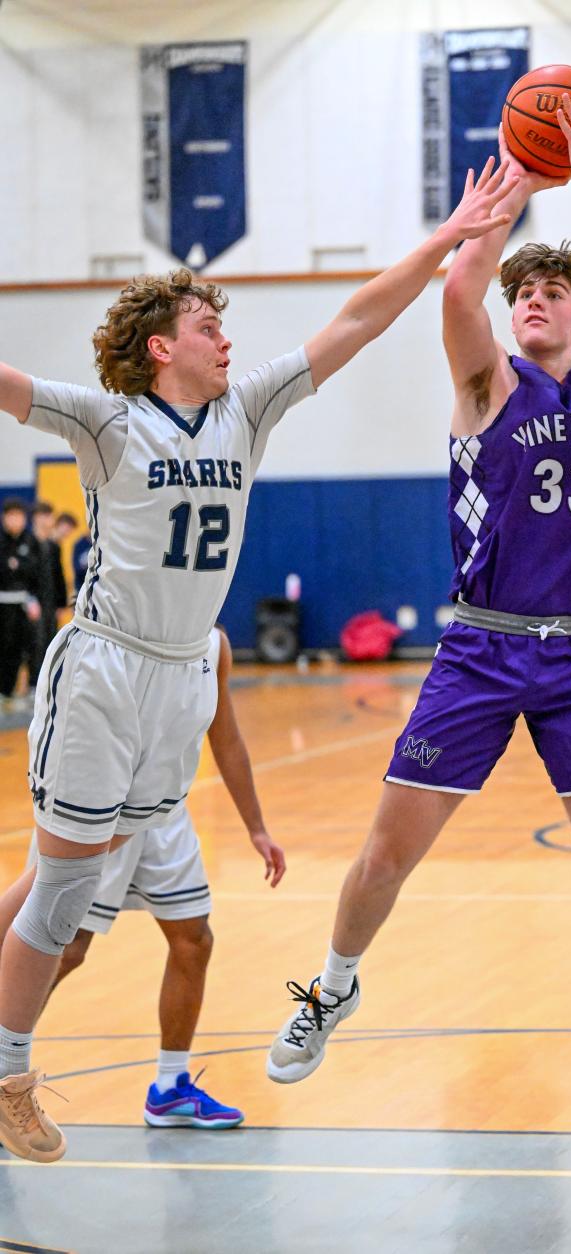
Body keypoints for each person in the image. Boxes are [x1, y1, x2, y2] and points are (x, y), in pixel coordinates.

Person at [0, 162, 516, 1164]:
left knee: (56, 882)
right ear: (162, 347)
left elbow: (361, 319)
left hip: (182, 674)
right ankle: (10, 1074)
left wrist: (453, 232)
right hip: (104, 669)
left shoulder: (245, 410)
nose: (226, 337)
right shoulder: (108, 422)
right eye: (207, 326)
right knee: (62, 899)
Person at [268, 88, 571, 1152]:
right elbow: (459, 293)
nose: (533, 300)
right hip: (481, 648)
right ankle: (333, 986)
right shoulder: (487, 383)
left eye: (552, 293)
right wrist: (504, 200)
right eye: (525, 290)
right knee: (386, 852)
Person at [8, 624, 283, 1129]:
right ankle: (5, 1070)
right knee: (65, 948)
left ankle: (170, 1086)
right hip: (98, 803)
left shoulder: (214, 644)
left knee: (193, 939)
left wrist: (257, 828)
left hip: (164, 809)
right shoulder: (108, 629)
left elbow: (226, 736)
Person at [0, 498, 42, 708]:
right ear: (4, 518)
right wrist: (12, 565)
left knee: (26, 646)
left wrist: (33, 600)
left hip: (24, 603)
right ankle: (3, 690)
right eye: (11, 516)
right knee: (4, 646)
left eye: (20, 516)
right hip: (2, 603)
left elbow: (34, 572)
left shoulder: (30, 540)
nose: (16, 520)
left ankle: (22, 688)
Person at [28, 502, 68, 689]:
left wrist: (62, 603)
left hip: (51, 602)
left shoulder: (53, 546)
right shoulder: (28, 542)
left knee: (50, 642)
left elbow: (58, 575)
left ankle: (47, 684)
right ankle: (33, 685)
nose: (46, 520)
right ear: (35, 518)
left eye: (49, 515)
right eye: (42, 515)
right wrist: (30, 600)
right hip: (33, 603)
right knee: (34, 643)